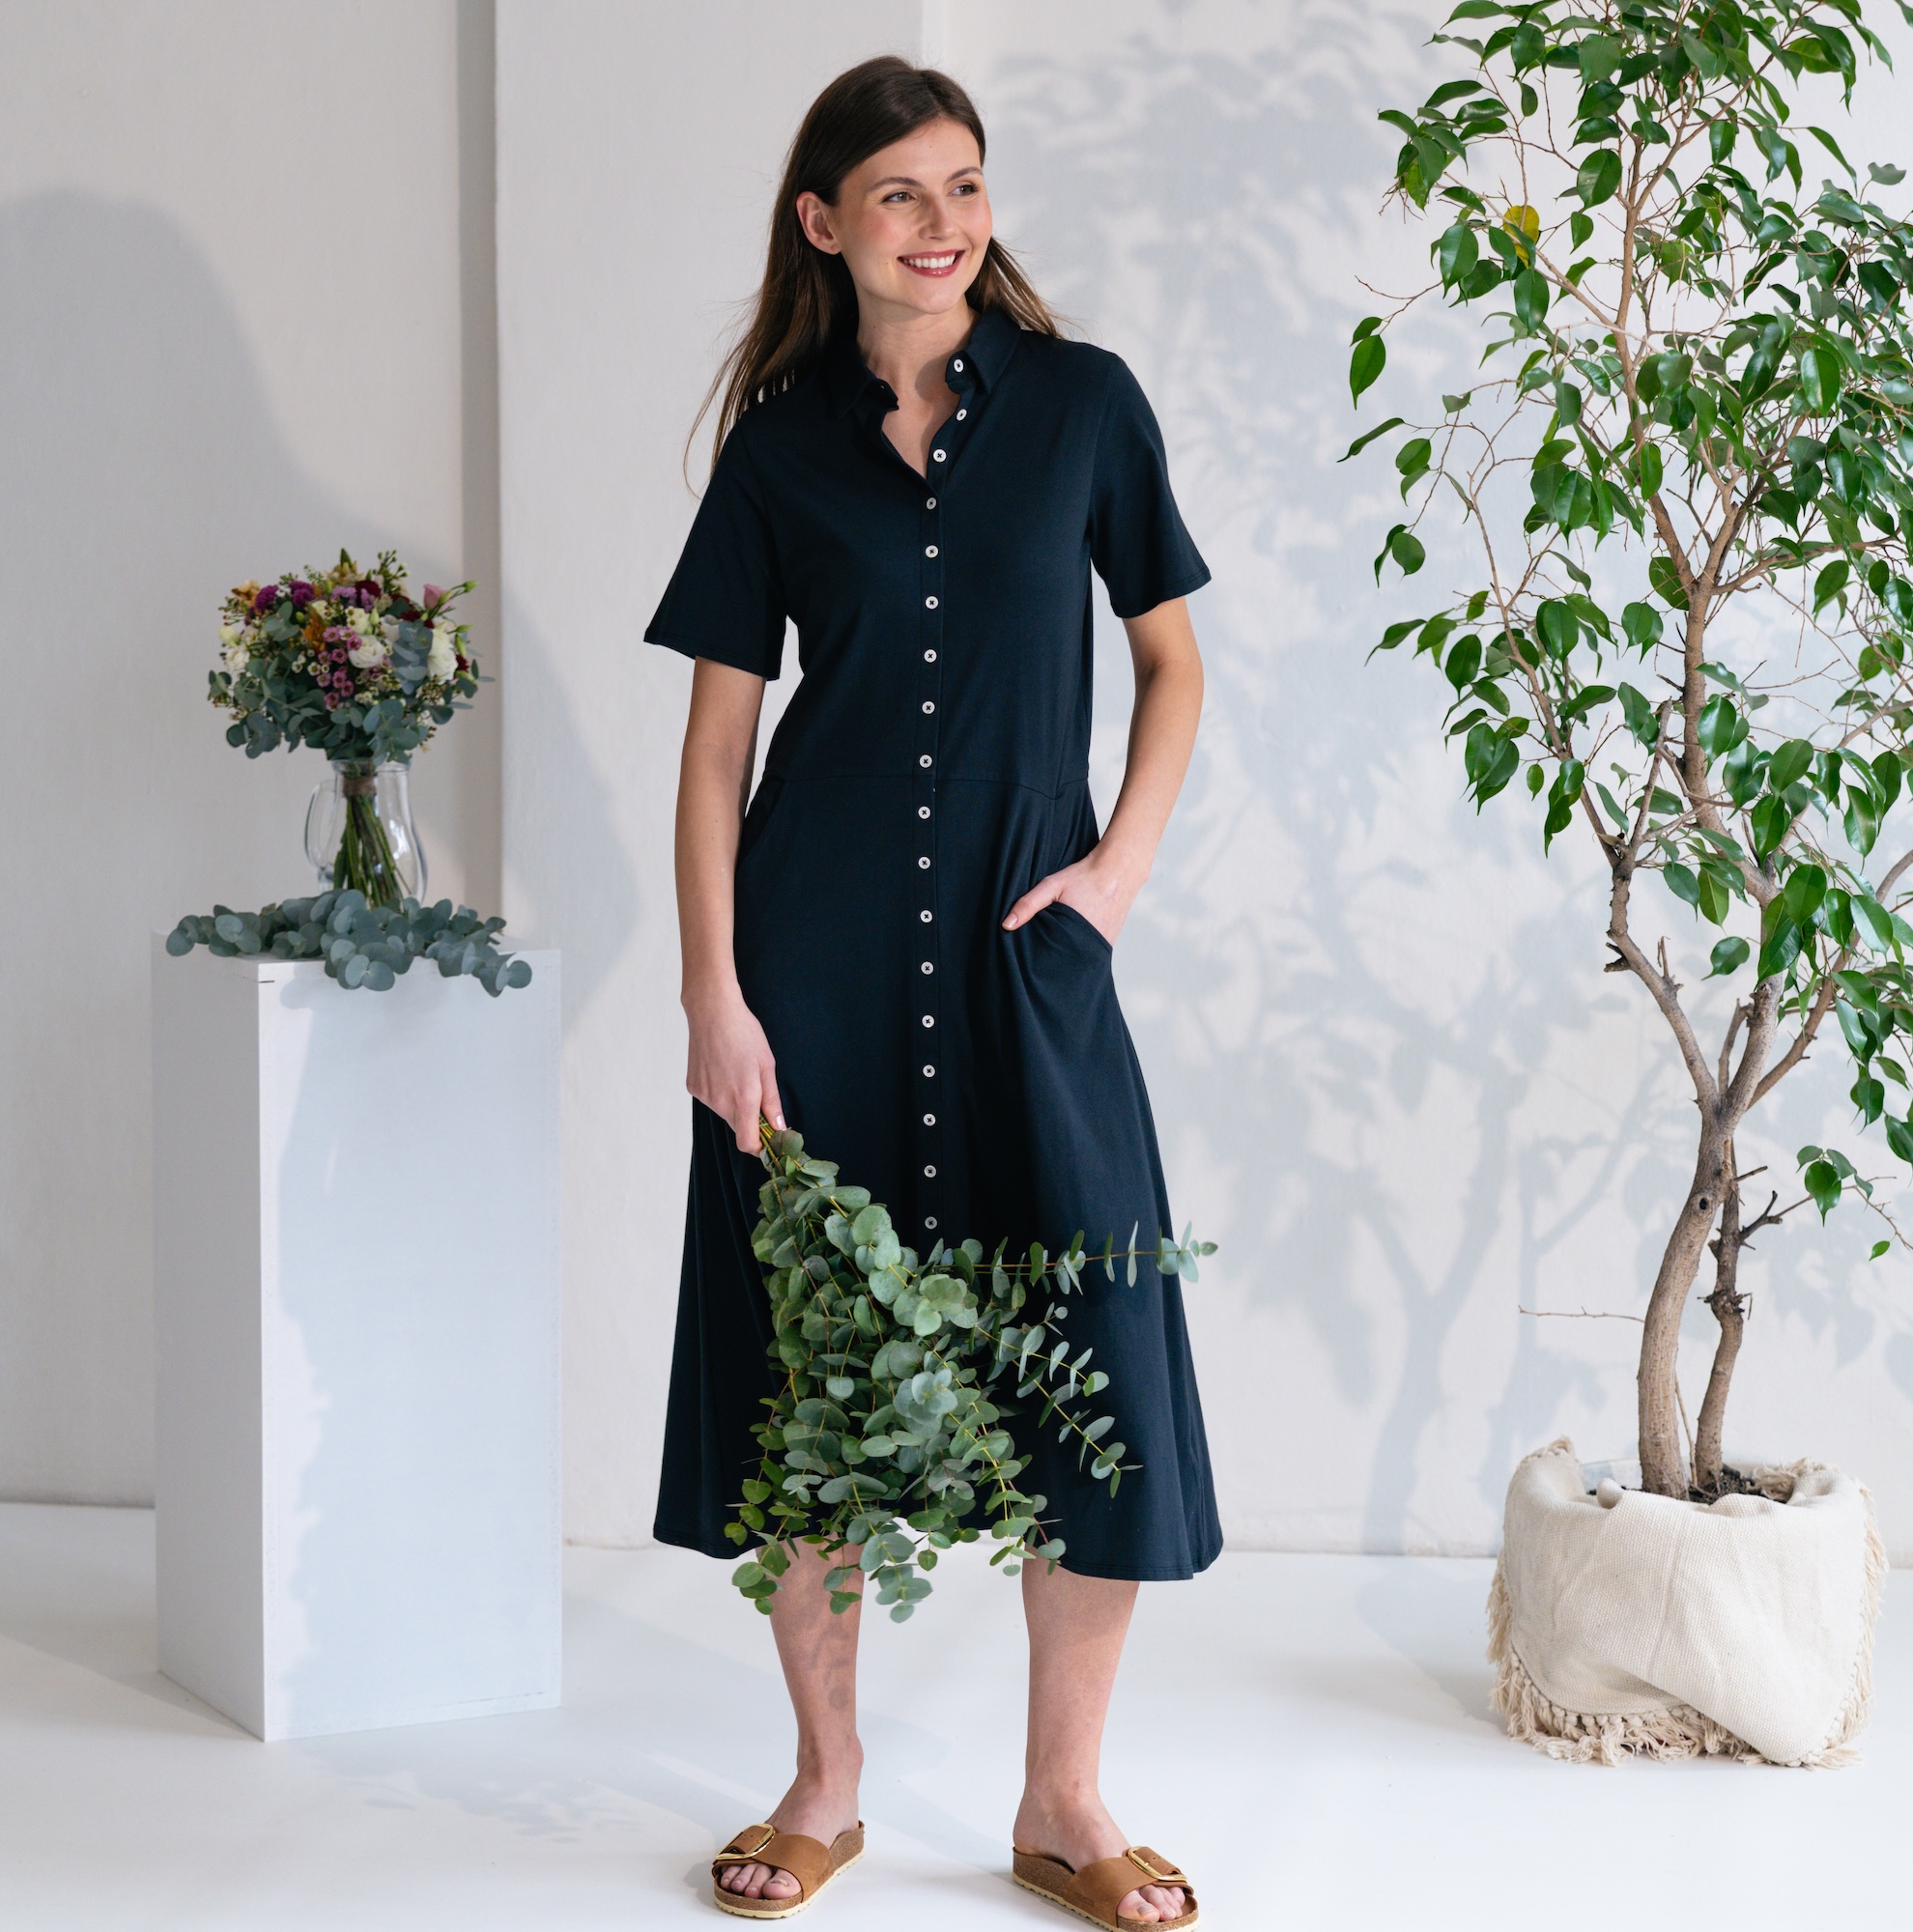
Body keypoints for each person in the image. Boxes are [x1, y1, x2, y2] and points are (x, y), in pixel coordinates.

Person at [642, 53, 1219, 1930]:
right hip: (809, 965)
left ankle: (1064, 1800)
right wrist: (714, 993)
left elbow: (1172, 665)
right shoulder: (780, 450)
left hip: (1023, 957)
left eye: (964, 185)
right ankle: (826, 1784)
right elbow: (716, 748)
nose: (943, 222)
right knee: (815, 1369)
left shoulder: (1083, 406)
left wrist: (1113, 880)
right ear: (824, 222)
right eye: (900, 192)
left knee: (1095, 1350)